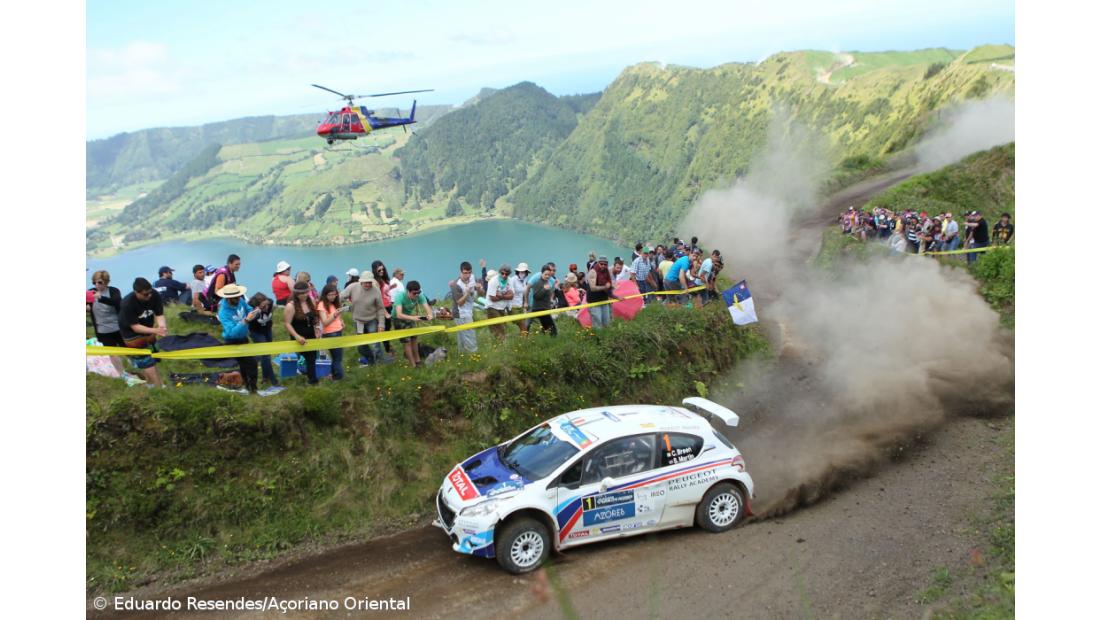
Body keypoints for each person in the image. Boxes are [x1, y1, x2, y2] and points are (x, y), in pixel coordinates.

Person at [120, 277, 167, 388]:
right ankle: (160, 388)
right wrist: (156, 330)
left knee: (152, 358)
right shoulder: (127, 303)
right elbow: (135, 327)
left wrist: (162, 327)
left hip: (148, 329)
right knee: (145, 361)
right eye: (145, 294)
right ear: (136, 292)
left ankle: (151, 384)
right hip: (131, 335)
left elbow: (159, 314)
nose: (149, 296)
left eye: (150, 293)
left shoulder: (154, 295)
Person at [217, 284, 260, 393]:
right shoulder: (223, 312)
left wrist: (255, 312)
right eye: (235, 297)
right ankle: (253, 388)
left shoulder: (240, 300)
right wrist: (245, 321)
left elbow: (248, 309)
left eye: (239, 295)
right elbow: (231, 333)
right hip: (232, 341)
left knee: (244, 364)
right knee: (252, 363)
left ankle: (247, 386)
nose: (238, 298)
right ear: (228, 298)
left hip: (243, 338)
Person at [341, 270, 388, 366]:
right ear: (361, 281)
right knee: (361, 345)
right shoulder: (353, 287)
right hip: (358, 321)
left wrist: (381, 324)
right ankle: (371, 360)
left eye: (369, 282)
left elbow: (380, 308)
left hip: (372, 321)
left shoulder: (376, 291)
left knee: (375, 344)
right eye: (365, 282)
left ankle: (380, 364)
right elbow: (340, 297)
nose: (367, 284)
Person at [87, 270, 126, 376]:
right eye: (94, 282)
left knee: (128, 351)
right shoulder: (90, 292)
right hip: (103, 330)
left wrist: (100, 298)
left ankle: (138, 368)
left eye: (99, 282)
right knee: (112, 353)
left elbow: (116, 301)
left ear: (106, 282)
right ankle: (122, 374)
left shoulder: (113, 291)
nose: (97, 285)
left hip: (119, 328)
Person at [284, 281, 321, 384]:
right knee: (307, 357)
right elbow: (287, 323)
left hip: (311, 335)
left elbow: (315, 318)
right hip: (298, 336)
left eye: (306, 292)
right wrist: (296, 336)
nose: (305, 295)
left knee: (312, 358)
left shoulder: (311, 301)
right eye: (302, 293)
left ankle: (312, 380)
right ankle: (310, 378)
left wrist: (317, 328)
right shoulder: (290, 306)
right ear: (296, 294)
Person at [391, 280, 434, 368]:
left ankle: (418, 361)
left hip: (410, 317)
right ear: (408, 291)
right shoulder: (400, 296)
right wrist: (413, 318)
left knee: (414, 339)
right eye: (414, 293)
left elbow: (427, 307)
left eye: (418, 293)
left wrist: (430, 315)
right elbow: (399, 314)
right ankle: (413, 365)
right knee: (407, 342)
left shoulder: (419, 295)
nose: (417, 295)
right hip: (398, 319)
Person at [246, 292, 279, 387]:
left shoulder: (270, 302)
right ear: (256, 306)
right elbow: (247, 321)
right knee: (266, 355)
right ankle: (273, 380)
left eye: (266, 305)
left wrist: (269, 307)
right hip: (256, 332)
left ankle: (265, 378)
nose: (266, 308)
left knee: (267, 354)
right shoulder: (251, 310)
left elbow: (272, 306)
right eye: (262, 307)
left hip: (267, 330)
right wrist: (256, 313)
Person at [450, 261, 482, 352]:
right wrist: (467, 293)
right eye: (465, 273)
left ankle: (462, 356)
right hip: (460, 313)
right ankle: (473, 354)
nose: (468, 275)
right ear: (461, 272)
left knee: (463, 336)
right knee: (469, 335)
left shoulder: (472, 278)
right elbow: (460, 302)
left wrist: (479, 289)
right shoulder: (456, 285)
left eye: (469, 272)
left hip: (468, 312)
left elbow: (481, 294)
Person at [317, 283, 346, 381]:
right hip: (330, 334)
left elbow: (337, 316)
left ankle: (334, 375)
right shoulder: (321, 305)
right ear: (325, 295)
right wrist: (334, 315)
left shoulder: (334, 303)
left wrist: (341, 321)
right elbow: (325, 322)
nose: (333, 297)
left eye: (335, 294)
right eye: (330, 295)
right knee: (337, 358)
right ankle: (339, 377)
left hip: (338, 332)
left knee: (337, 357)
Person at [484, 264, 515, 339]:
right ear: (499, 272)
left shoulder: (510, 280)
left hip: (502, 307)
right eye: (502, 273)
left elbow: (511, 296)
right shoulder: (493, 281)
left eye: (506, 274)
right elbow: (492, 298)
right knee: (500, 327)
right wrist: (505, 296)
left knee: (503, 326)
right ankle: (503, 344)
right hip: (492, 307)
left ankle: (499, 345)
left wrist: (501, 296)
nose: (504, 275)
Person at [372, 261, 396, 356]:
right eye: (379, 270)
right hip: (383, 308)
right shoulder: (376, 282)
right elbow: (378, 297)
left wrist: (390, 287)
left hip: (389, 305)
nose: (381, 271)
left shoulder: (384, 279)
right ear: (375, 270)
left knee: (388, 328)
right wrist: (385, 312)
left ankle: (388, 346)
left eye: (383, 269)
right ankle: (387, 349)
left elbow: (384, 292)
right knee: (384, 329)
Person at [528, 265, 558, 337]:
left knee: (548, 327)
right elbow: (536, 296)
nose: (547, 276)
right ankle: (523, 337)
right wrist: (544, 289)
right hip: (537, 308)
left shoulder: (549, 282)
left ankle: (548, 339)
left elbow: (550, 293)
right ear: (541, 273)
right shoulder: (537, 282)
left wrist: (550, 301)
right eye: (545, 274)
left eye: (548, 275)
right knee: (527, 324)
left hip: (545, 308)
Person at [586, 256, 615, 329]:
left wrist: (611, 288)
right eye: (601, 264)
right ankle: (597, 339)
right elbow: (592, 288)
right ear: (598, 263)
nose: (603, 266)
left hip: (604, 300)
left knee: (607, 322)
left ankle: (606, 338)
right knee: (597, 323)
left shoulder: (607, 272)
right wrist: (605, 287)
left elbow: (608, 284)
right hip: (594, 301)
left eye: (605, 264)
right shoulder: (593, 272)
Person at [510, 262, 531, 335]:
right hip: (513, 306)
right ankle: (525, 340)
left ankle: (522, 339)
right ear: (518, 271)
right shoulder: (512, 280)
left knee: (523, 325)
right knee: (522, 325)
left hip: (520, 306)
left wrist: (525, 302)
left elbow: (525, 292)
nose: (522, 273)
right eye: (521, 271)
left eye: (524, 272)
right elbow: (510, 293)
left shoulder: (525, 280)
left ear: (526, 272)